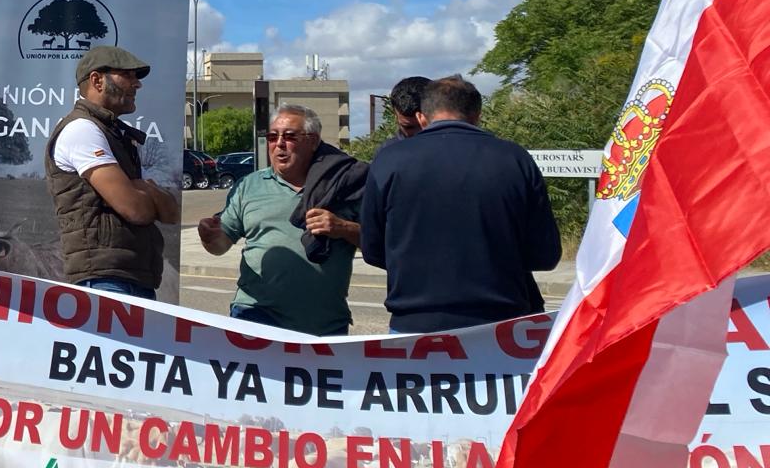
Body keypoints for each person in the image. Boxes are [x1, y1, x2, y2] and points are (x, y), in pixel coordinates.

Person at [360, 75, 561, 333]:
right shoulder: (514, 159)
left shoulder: (389, 161)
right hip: (503, 325)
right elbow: (545, 254)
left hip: (414, 322)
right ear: (477, 114)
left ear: (422, 117)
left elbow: (373, 249)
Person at [196, 104, 363, 336]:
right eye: (273, 137)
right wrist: (209, 237)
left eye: (290, 136)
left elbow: (378, 242)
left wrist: (343, 228)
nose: (279, 144)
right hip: (255, 316)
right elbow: (220, 245)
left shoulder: (346, 184)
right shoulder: (249, 186)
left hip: (323, 325)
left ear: (313, 141)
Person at [43, 45, 178, 300]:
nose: (137, 84)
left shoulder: (111, 132)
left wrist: (144, 189)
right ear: (97, 80)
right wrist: (147, 192)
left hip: (126, 278)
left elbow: (172, 212)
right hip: (105, 282)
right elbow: (135, 209)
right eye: (127, 75)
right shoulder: (82, 130)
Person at [376, 75, 430, 155]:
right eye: (409, 127)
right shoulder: (387, 153)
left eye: (427, 124)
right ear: (395, 115)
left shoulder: (453, 146)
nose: (419, 134)